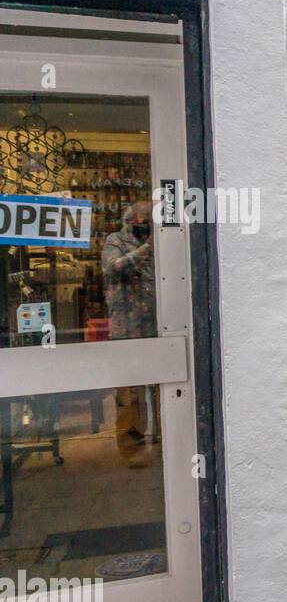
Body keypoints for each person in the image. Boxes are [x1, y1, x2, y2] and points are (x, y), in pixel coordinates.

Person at [101, 200, 157, 467]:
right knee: (128, 395)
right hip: (126, 329)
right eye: (142, 218)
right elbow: (113, 268)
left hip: (155, 328)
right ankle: (131, 450)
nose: (145, 223)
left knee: (160, 389)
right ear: (130, 219)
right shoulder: (116, 241)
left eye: (149, 218)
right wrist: (147, 250)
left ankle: (165, 442)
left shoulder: (158, 240)